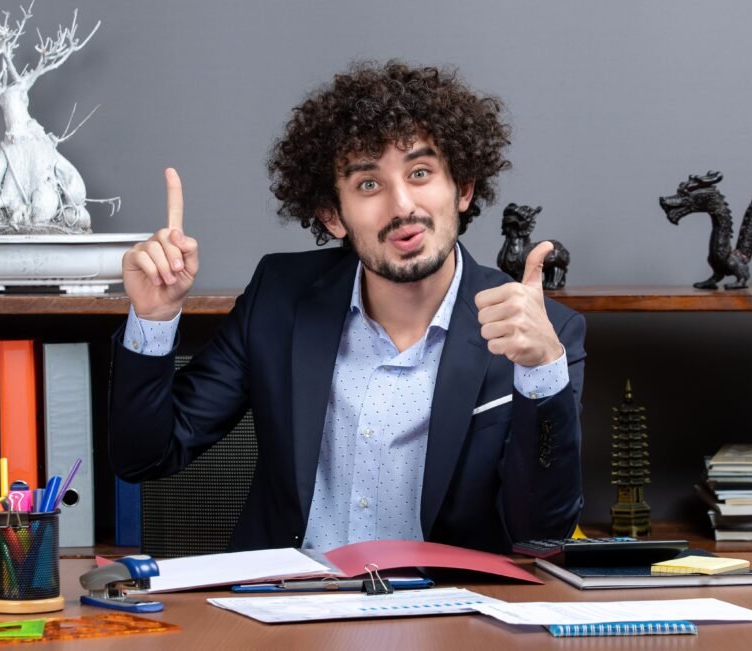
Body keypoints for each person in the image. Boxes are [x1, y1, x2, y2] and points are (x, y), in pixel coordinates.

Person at [108, 61, 585, 554]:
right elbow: (144, 457)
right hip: (286, 612)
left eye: (420, 173)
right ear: (332, 216)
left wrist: (542, 373)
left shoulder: (543, 334)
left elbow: (541, 532)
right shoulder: (280, 298)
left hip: (447, 616)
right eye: (368, 185)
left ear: (462, 189)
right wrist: (154, 317)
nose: (402, 206)